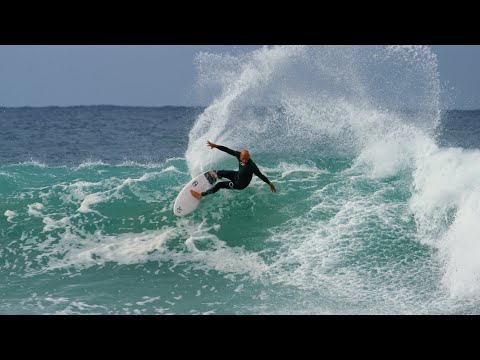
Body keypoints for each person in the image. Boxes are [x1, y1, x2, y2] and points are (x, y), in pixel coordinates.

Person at [190, 140, 276, 200]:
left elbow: (261, 175)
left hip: (239, 184)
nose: (244, 160)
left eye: (246, 158)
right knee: (219, 172)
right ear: (240, 156)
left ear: (249, 156)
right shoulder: (239, 155)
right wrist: (216, 146)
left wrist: (270, 183)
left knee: (219, 185)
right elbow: (228, 150)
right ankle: (215, 178)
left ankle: (200, 195)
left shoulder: (252, 167)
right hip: (236, 175)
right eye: (243, 159)